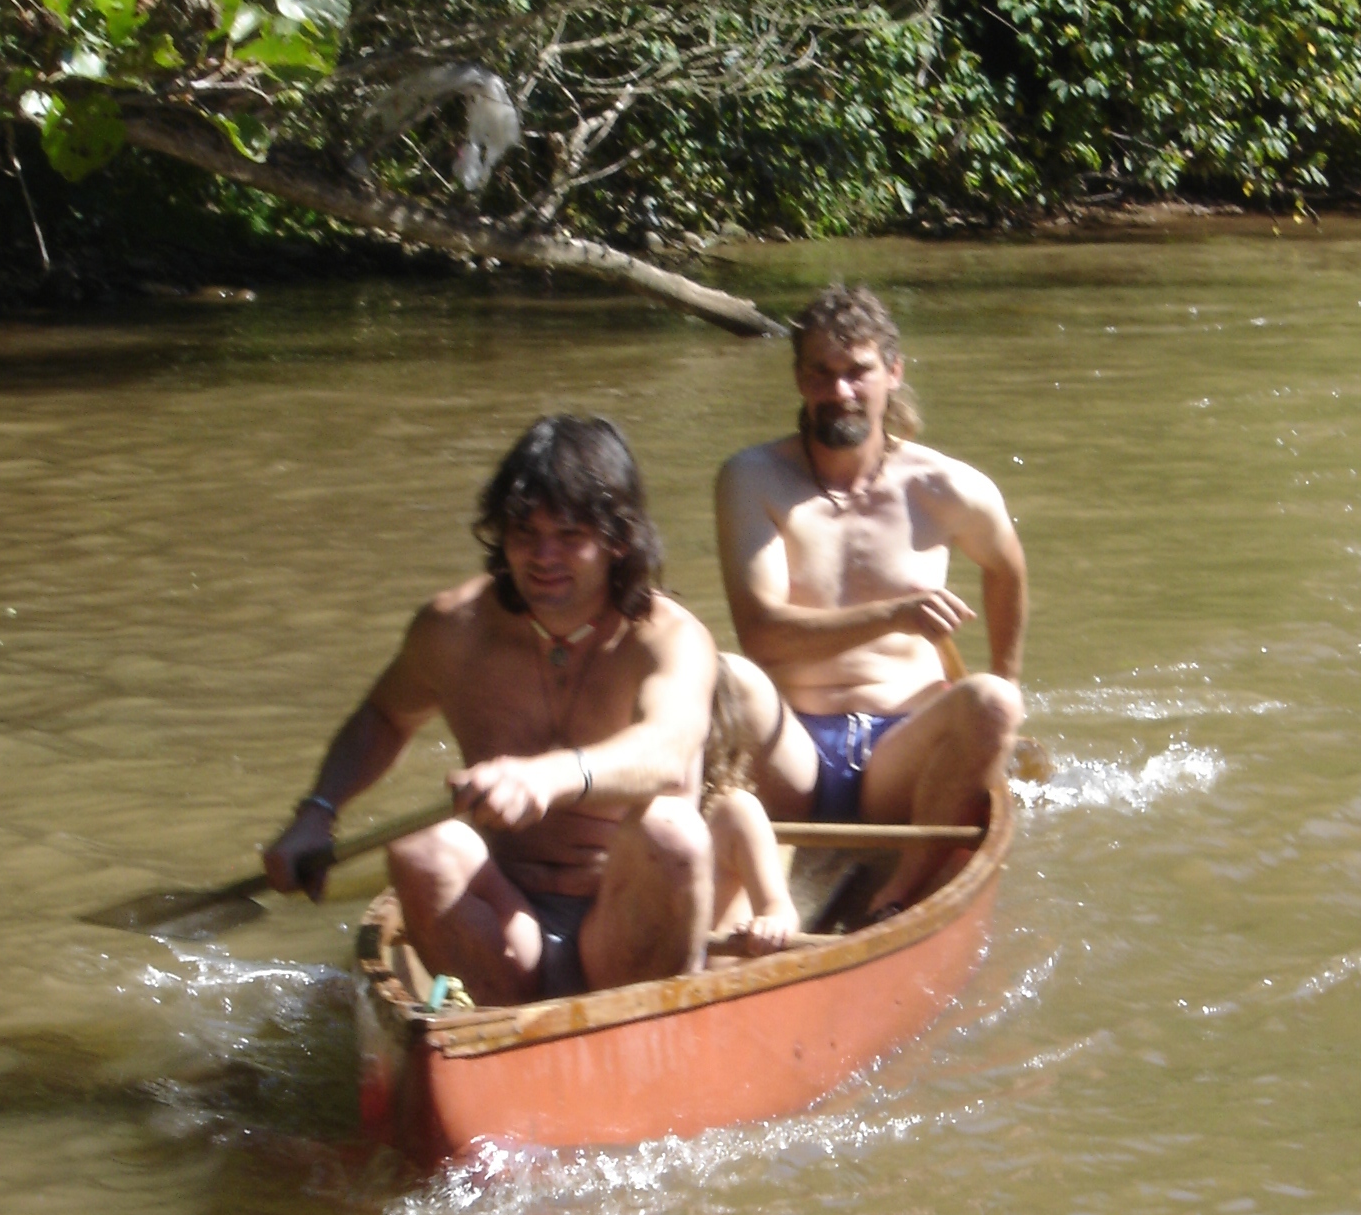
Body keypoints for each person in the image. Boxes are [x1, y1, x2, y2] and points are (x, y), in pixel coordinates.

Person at [261, 416, 715, 1004]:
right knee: (419, 848)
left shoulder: (669, 637)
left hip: (626, 912)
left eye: (569, 535)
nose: (543, 556)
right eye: (525, 532)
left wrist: (546, 776)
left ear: (618, 540)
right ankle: (499, 1025)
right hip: (511, 917)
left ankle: (644, 1018)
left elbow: (668, 750)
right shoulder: (454, 627)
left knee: (672, 832)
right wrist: (317, 812)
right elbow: (384, 716)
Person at [714, 284, 1027, 908]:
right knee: (722, 674)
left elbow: (1007, 569)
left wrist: (1008, 685)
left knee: (993, 701)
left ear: (893, 372)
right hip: (793, 752)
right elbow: (762, 635)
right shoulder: (752, 478)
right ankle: (731, 889)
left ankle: (904, 890)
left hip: (901, 753)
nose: (840, 391)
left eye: (857, 371)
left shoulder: (946, 486)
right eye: (820, 373)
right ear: (800, 379)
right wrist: (895, 614)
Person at [701, 662, 800, 953]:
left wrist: (773, 922)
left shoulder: (733, 811)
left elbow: (779, 906)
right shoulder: (623, 806)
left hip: (719, 973)